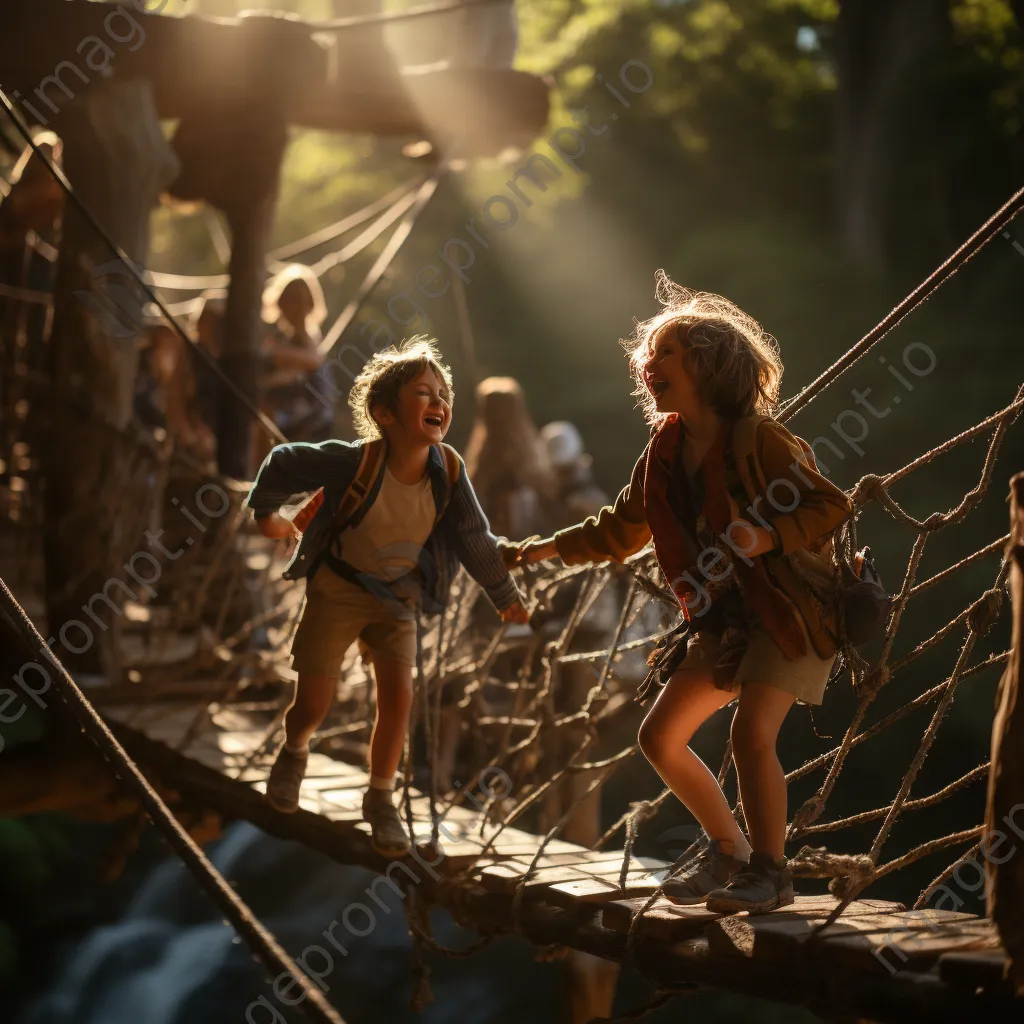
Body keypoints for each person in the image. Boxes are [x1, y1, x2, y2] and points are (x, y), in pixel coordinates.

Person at [509, 273, 853, 913]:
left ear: (709, 366)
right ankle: (731, 854)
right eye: (650, 353)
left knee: (752, 735)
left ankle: (771, 873)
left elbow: (830, 503)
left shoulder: (760, 439)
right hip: (724, 619)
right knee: (660, 737)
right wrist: (539, 549)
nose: (648, 362)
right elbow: (619, 531)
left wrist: (769, 536)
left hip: (789, 614)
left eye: (667, 352)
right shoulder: (663, 452)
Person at [246, 337, 529, 856]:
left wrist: (503, 593)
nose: (440, 402)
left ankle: (380, 799)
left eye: (444, 393)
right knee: (313, 703)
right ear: (385, 413)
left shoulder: (450, 470)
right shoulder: (354, 462)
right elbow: (284, 461)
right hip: (338, 589)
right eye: (424, 393)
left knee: (399, 697)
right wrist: (269, 516)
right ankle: (295, 750)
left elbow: (472, 535)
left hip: (399, 597)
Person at [259, 264, 328, 439]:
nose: (298, 308)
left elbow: (313, 361)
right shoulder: (273, 338)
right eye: (293, 300)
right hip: (278, 421)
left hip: (310, 422)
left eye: (303, 301)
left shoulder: (311, 340)